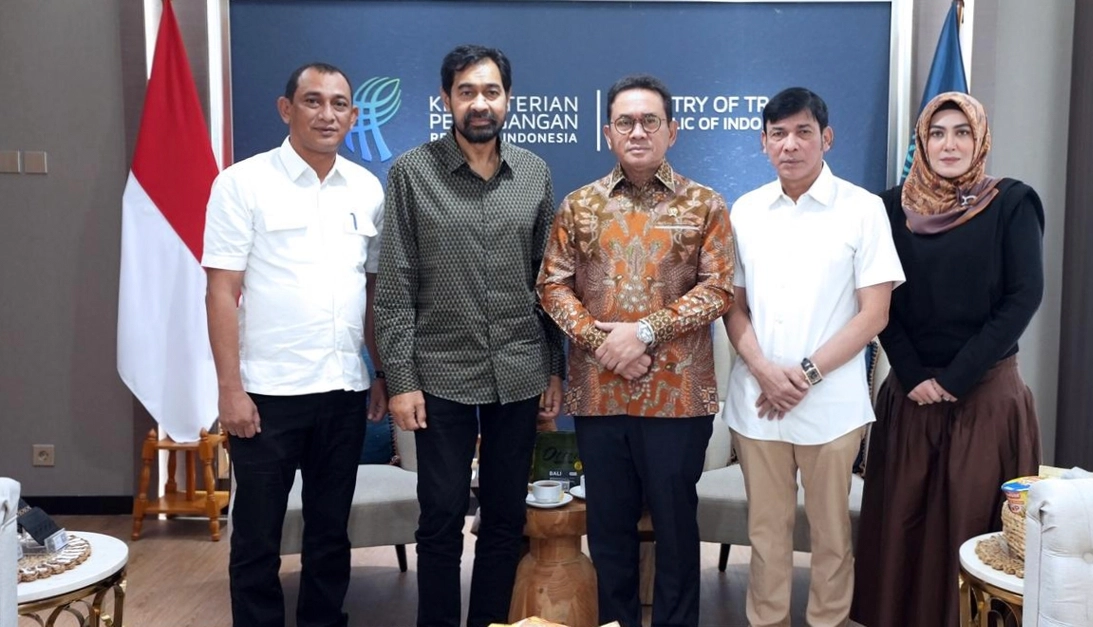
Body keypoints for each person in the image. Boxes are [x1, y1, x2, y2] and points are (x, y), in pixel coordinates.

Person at [373, 44, 564, 627]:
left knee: (505, 519)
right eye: (467, 92)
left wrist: (554, 367)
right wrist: (401, 381)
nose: (480, 103)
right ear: (446, 99)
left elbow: (548, 282)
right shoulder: (411, 173)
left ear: (508, 99)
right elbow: (395, 285)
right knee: (441, 517)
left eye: (491, 92)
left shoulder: (534, 173)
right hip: (439, 376)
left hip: (520, 371)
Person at [537, 74, 734, 627]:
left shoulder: (705, 205)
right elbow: (551, 285)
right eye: (626, 122)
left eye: (650, 121)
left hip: (678, 399)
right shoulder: (578, 206)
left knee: (675, 529)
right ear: (608, 133)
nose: (638, 131)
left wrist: (643, 332)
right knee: (608, 531)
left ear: (673, 130)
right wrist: (603, 342)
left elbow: (719, 289)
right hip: (599, 397)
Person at [203, 62, 387, 627]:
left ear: (353, 116)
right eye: (313, 101)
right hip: (266, 395)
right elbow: (221, 291)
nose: (327, 114)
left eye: (339, 104)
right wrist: (230, 390)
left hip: (343, 390)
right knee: (257, 538)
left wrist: (380, 373)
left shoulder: (367, 188)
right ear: (287, 109)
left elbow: (371, 291)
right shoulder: (242, 183)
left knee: (330, 535)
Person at [851, 91, 1044, 627]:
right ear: (922, 141)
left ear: (980, 140)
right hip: (911, 396)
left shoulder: (1012, 202)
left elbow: (1023, 297)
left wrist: (957, 377)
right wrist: (913, 374)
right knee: (904, 528)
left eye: (962, 132)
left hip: (985, 397)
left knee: (974, 529)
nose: (949, 144)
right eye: (937, 133)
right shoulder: (888, 208)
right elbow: (877, 297)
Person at [721, 87, 904, 627]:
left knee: (831, 537)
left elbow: (875, 314)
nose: (790, 145)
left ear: (826, 138)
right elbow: (732, 306)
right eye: (778, 134)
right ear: (763, 142)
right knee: (766, 534)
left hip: (831, 406)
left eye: (803, 132)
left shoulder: (863, 209)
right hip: (758, 403)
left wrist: (803, 374)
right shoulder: (746, 210)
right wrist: (763, 371)